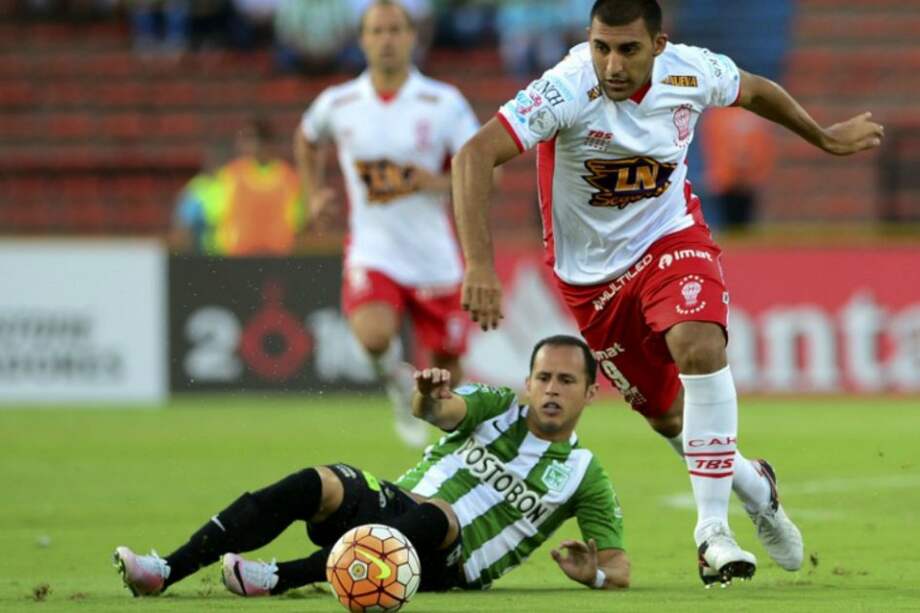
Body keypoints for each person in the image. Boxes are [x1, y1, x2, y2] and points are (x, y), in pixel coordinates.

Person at [450, 0, 884, 587]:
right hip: (591, 282)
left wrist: (823, 137)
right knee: (670, 419)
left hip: (670, 238)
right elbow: (475, 154)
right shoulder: (565, 88)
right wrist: (479, 263)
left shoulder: (690, 71)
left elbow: (754, 91)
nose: (612, 63)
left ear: (658, 45)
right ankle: (756, 486)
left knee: (699, 345)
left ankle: (712, 533)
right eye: (602, 46)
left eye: (628, 49)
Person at [113, 335, 630, 597]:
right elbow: (443, 411)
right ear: (527, 383)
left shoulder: (585, 472)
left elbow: (619, 565)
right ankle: (165, 571)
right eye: (543, 378)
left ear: (590, 392)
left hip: (452, 563)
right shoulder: (497, 406)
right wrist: (426, 399)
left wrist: (596, 576)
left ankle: (277, 578)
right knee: (317, 481)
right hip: (396, 511)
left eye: (565, 381)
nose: (552, 390)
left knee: (439, 517)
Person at [295, 0, 482, 447]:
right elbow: (306, 139)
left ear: (412, 37)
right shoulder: (339, 103)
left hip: (435, 253)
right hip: (373, 247)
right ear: (362, 40)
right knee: (374, 335)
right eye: (376, 31)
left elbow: (484, 170)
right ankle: (399, 386)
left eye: (395, 30)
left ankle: (446, 451)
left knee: (447, 374)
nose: (386, 40)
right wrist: (312, 192)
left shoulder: (442, 102)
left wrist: (435, 181)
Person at [215, 117, 303, 256]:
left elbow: (298, 221)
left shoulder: (289, 178)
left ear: (266, 142)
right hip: (238, 258)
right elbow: (216, 214)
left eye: (250, 139)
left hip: (277, 260)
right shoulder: (231, 174)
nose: (243, 144)